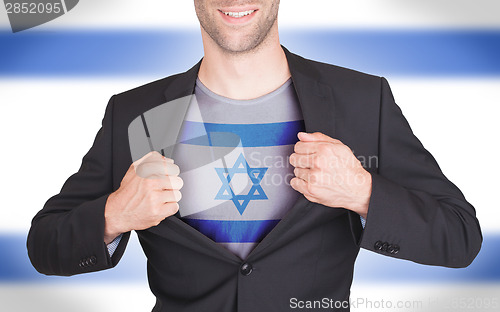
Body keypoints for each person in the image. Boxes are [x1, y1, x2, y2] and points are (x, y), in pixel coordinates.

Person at [27, 1, 482, 311]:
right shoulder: (136, 113)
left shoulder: (362, 100)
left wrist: (363, 192)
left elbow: (460, 237)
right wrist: (114, 214)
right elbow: (45, 246)